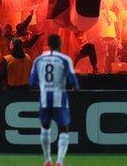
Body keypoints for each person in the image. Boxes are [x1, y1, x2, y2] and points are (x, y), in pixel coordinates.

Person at [30, 34, 80, 166]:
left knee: (45, 128)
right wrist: (75, 88)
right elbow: (74, 81)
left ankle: (47, 160)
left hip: (45, 98)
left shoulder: (38, 60)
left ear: (48, 44)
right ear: (60, 45)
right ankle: (59, 161)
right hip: (60, 98)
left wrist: (43, 84)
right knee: (64, 129)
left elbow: (31, 83)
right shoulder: (65, 59)